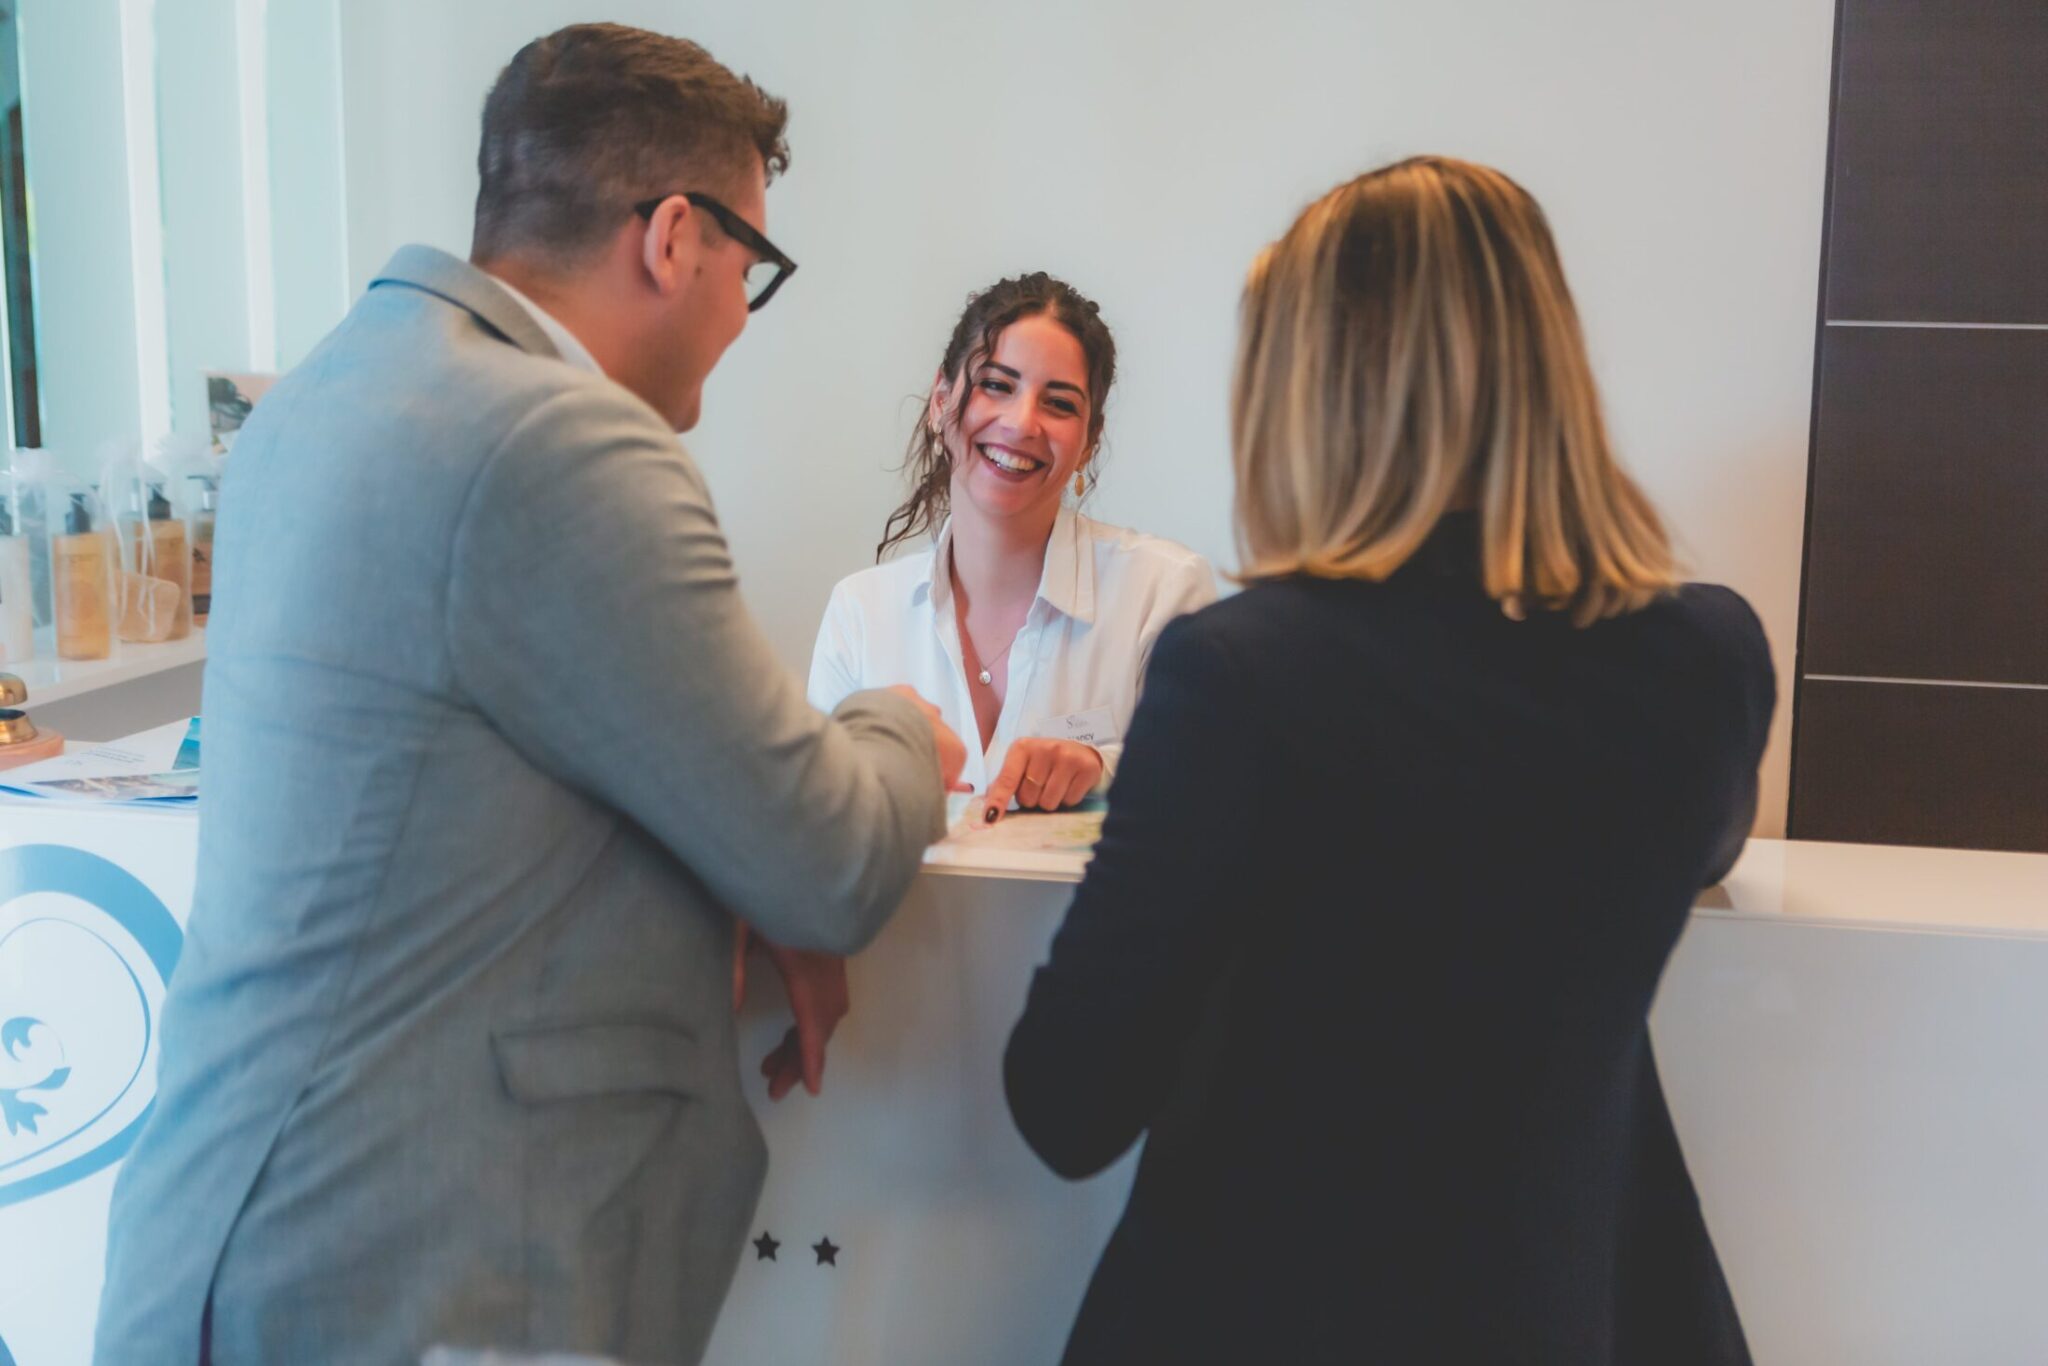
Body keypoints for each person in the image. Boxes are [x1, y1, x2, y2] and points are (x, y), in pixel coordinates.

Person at [94, 25, 965, 1366]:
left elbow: (467, 798)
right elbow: (830, 857)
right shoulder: (559, 441)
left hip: (232, 1238)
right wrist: (900, 723)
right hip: (419, 1274)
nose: (743, 316)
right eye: (752, 269)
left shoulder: (326, 395)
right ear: (673, 238)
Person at [1004, 156, 1774, 1364]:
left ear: (1309, 388)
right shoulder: (1706, 662)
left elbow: (1067, 1100)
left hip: (1250, 1318)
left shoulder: (1238, 674)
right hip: (1555, 1317)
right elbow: (1696, 844)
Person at [809, 273, 1215, 821]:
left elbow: (1210, 798)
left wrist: (1102, 768)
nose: (1022, 423)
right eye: (997, 385)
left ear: (1089, 442)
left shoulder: (1163, 593)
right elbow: (817, 826)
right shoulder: (859, 613)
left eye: (1059, 403)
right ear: (941, 402)